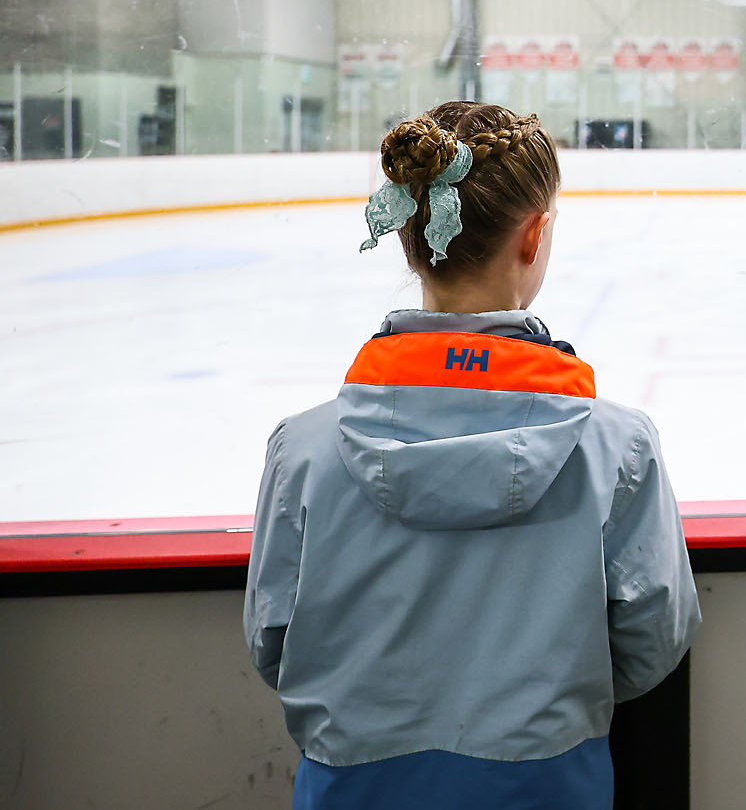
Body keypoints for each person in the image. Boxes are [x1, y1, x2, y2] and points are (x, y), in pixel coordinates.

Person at [245, 101, 700, 808]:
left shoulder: (301, 451)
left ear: (407, 233)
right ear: (536, 233)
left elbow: (273, 641)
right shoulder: (618, 445)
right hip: (548, 787)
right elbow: (651, 641)